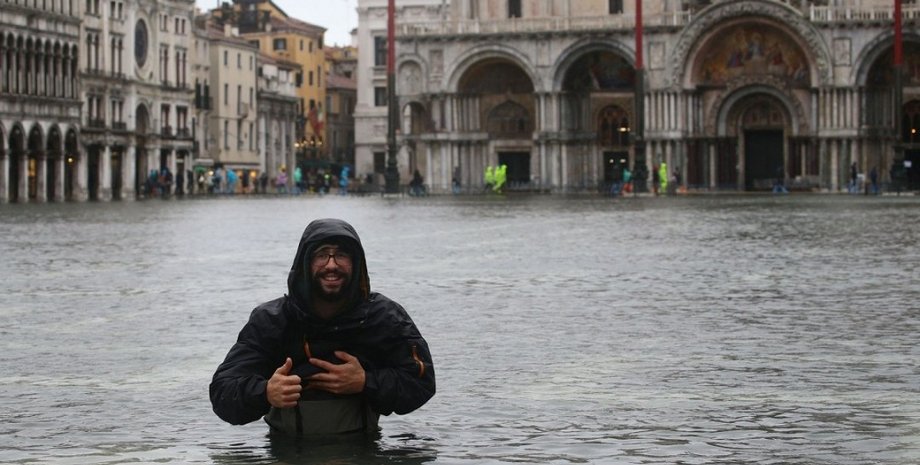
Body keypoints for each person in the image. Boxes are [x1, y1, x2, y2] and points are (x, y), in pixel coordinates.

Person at [210, 218, 436, 436]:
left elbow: (422, 383)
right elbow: (222, 392)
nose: (331, 265)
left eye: (341, 255)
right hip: (286, 449)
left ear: (356, 263)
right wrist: (266, 392)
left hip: (363, 447)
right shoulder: (271, 320)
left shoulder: (384, 317)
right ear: (305, 263)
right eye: (321, 255)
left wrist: (365, 382)